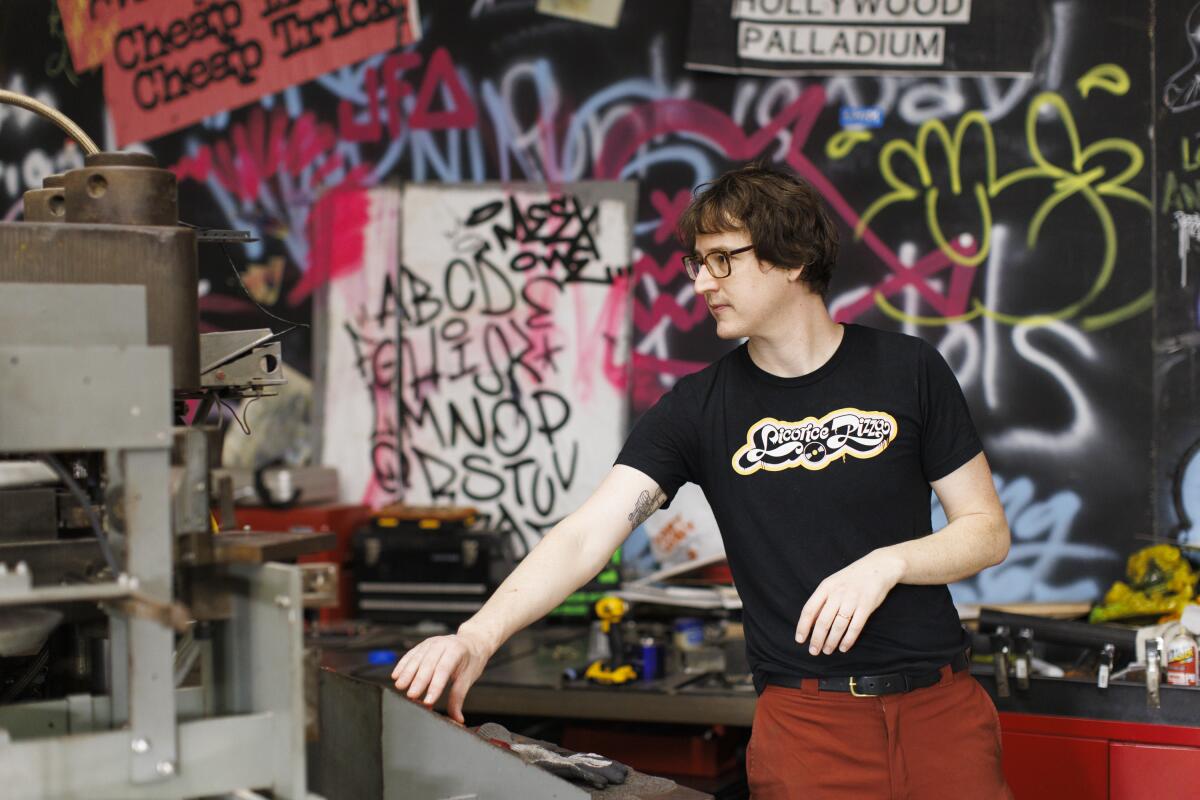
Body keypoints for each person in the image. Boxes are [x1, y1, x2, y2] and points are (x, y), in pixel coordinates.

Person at [392, 162, 1013, 799]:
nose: (702, 283)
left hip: (944, 712)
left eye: (722, 260)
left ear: (792, 258)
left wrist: (887, 563)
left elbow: (986, 531)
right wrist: (476, 637)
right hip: (809, 726)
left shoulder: (909, 370)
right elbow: (586, 534)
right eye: (696, 263)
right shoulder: (697, 408)